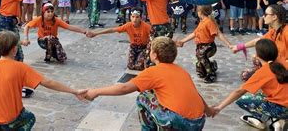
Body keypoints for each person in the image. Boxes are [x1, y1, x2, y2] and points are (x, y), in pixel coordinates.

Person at [0, 31, 87, 130]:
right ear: (15, 49)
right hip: (11, 119)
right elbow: (48, 82)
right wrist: (74, 91)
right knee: (30, 118)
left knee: (2, 122)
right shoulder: (20, 68)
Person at [83, 37, 213, 130]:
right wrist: (209, 110)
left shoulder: (153, 71)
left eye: (150, 50)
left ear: (155, 55)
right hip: (198, 123)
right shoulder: (182, 71)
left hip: (179, 122)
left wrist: (96, 91)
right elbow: (196, 94)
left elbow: (124, 88)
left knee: (143, 97)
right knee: (153, 92)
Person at [212, 39, 287, 130]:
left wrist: (219, 107)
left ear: (257, 55)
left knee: (243, 100)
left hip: (281, 109)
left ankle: (271, 119)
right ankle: (270, 119)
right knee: (264, 94)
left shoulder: (262, 72)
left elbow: (239, 92)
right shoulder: (283, 62)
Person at [176, 5, 233, 83]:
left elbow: (218, 34)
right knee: (200, 70)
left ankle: (211, 74)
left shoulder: (209, 21)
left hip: (209, 46)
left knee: (201, 56)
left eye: (197, 11)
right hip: (200, 46)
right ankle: (212, 66)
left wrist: (229, 44)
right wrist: (182, 41)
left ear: (200, 12)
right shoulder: (202, 21)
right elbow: (194, 33)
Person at [233, 4, 287, 81]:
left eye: (266, 14)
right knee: (257, 56)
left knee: (259, 58)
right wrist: (238, 47)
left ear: (274, 17)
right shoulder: (274, 31)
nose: (263, 16)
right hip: (278, 63)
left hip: (284, 65)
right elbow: (258, 41)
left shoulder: (286, 32)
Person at [87, 8, 151, 70]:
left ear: (141, 18)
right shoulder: (128, 25)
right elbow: (112, 30)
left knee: (139, 66)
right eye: (133, 17)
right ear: (130, 17)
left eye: (137, 17)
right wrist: (96, 33)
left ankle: (147, 59)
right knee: (130, 66)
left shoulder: (146, 26)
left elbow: (155, 37)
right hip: (134, 47)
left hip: (143, 47)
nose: (134, 19)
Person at [22, 3, 87, 63]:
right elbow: (27, 26)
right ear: (43, 12)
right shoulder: (39, 19)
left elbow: (70, 27)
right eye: (48, 12)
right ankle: (48, 56)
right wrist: (26, 38)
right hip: (42, 41)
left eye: (52, 12)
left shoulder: (56, 20)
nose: (50, 14)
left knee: (62, 58)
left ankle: (52, 53)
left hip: (54, 41)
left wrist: (85, 32)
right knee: (49, 38)